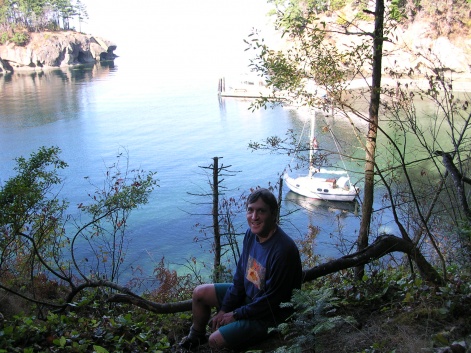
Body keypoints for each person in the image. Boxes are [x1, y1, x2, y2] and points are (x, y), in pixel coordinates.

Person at [179, 188, 303, 351]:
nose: (254, 217)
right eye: (250, 210)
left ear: (273, 214)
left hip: (270, 316)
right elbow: (239, 279)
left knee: (215, 341)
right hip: (249, 298)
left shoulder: (283, 250)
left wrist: (236, 315)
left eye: (261, 211)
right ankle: (195, 337)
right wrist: (224, 309)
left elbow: (272, 301)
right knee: (200, 293)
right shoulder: (251, 235)